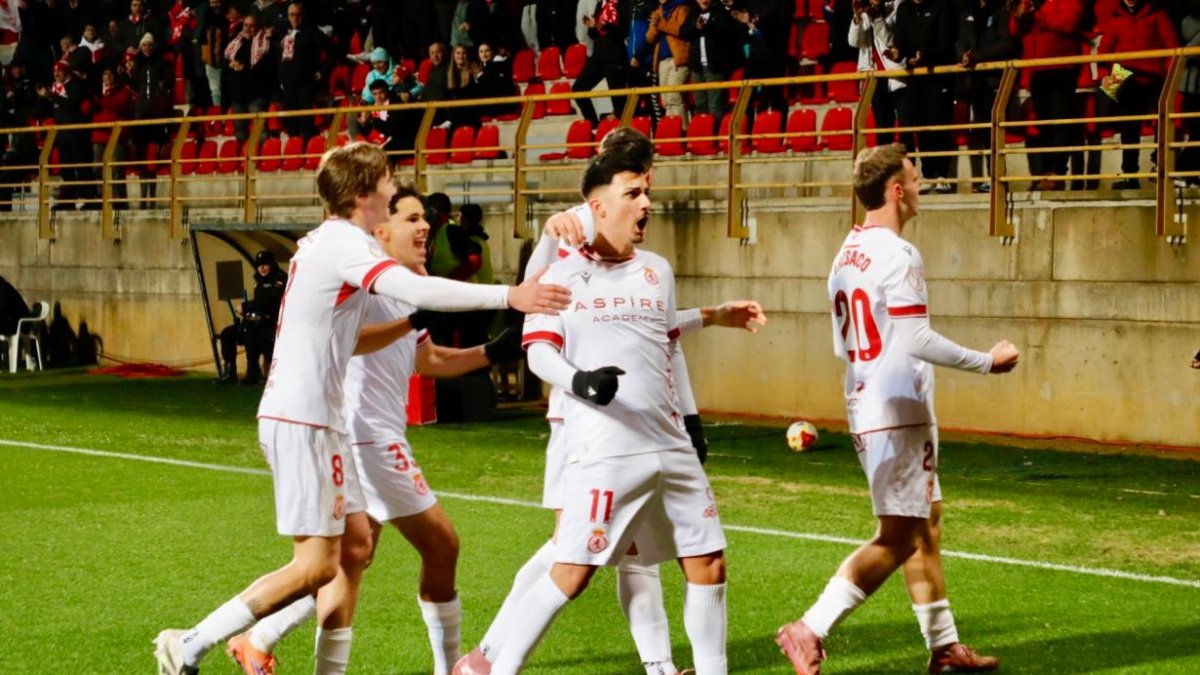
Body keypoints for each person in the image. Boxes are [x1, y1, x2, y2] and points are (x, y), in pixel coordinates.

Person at [152, 141, 571, 675]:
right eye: (389, 186)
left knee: (350, 554)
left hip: (319, 420)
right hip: (307, 420)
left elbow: (365, 338)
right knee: (318, 566)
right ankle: (191, 644)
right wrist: (509, 296)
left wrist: (469, 338)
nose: (395, 193)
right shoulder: (346, 244)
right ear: (364, 195)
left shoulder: (334, 244)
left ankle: (264, 649)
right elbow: (409, 290)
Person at [456, 128, 737, 675]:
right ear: (599, 202)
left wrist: (692, 420)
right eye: (634, 190)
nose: (647, 200)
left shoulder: (657, 270)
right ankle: (492, 662)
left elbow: (666, 344)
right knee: (571, 564)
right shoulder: (562, 261)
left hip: (668, 441)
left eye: (647, 188)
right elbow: (536, 337)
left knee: (702, 561)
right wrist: (581, 381)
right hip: (596, 440)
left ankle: (681, 669)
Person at [225, 185, 528, 675]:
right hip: (366, 435)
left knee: (351, 558)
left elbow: (428, 360)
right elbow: (348, 338)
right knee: (441, 545)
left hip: (373, 433)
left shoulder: (408, 284)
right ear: (381, 231)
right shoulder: (365, 282)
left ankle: (258, 638)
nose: (425, 227)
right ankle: (450, 667)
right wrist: (421, 316)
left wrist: (490, 352)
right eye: (411, 218)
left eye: (425, 218)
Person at [775, 143, 1019, 675]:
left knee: (925, 522)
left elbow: (842, 344)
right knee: (898, 536)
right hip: (898, 409)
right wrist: (988, 362)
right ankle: (809, 628)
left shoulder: (846, 252)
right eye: (914, 177)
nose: (919, 186)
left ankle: (944, 646)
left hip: (867, 400)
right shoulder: (899, 253)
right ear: (895, 190)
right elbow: (916, 338)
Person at [1096, 0, 1178, 190]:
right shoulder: (1116, 17)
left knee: (1163, 123)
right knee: (1129, 129)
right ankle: (1130, 176)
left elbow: (1171, 45)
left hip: (1155, 76)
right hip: (1126, 78)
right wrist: (1104, 76)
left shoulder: (1157, 14)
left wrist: (1168, 76)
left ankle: (1160, 168)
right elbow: (1104, 50)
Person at [957, 0, 1020, 193]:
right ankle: (991, 178)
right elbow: (960, 41)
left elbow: (1007, 43)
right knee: (984, 132)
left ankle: (997, 179)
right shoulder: (967, 11)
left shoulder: (1000, 11)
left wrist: (977, 56)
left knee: (996, 130)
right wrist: (962, 55)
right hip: (976, 83)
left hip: (996, 80)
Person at [217, 250, 288, 385]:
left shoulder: (280, 279)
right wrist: (247, 311)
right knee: (227, 333)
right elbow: (259, 302)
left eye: (265, 264)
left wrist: (245, 306)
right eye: (259, 265)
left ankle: (253, 371)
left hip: (271, 324)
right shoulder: (258, 279)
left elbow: (270, 302)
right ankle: (230, 372)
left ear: (272, 264)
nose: (261, 268)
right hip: (255, 323)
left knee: (252, 333)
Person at [680, 0, 744, 120]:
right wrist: (696, 27)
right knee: (700, 105)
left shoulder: (720, 11)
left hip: (715, 66)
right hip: (697, 66)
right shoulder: (693, 13)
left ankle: (716, 130)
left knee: (715, 104)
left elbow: (725, 33)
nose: (704, 1)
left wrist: (707, 27)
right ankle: (702, 130)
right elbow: (683, 32)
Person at [573, 0, 631, 125]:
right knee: (578, 89)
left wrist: (602, 25)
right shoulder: (600, 4)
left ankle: (623, 131)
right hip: (598, 56)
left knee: (619, 101)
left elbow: (624, 31)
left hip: (615, 57)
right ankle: (593, 125)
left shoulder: (624, 4)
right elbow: (593, 35)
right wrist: (592, 26)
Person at [224, 13, 274, 143]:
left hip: (256, 94)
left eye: (251, 26)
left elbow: (265, 66)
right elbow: (225, 62)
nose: (247, 28)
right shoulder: (236, 41)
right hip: (237, 94)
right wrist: (231, 64)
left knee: (261, 131)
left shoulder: (265, 42)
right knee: (240, 131)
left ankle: (262, 154)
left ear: (257, 27)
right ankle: (243, 154)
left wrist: (244, 67)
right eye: (245, 25)